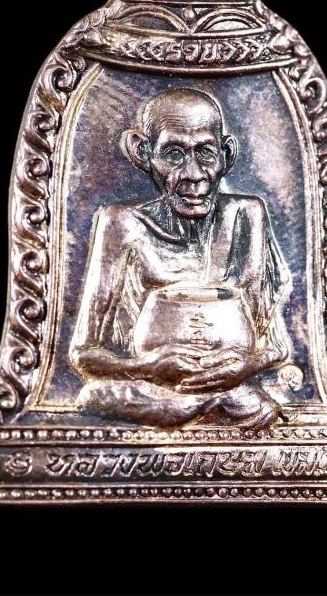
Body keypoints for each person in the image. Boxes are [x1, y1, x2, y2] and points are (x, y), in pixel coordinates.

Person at [69, 88, 292, 427]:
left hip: (233, 379)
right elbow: (83, 354)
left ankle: (211, 402)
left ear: (226, 155)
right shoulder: (122, 224)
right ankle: (216, 402)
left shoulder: (247, 216)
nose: (193, 174)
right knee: (92, 395)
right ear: (143, 153)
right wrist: (147, 366)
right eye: (173, 154)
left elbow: (275, 346)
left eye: (205, 153)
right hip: (154, 386)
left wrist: (249, 365)